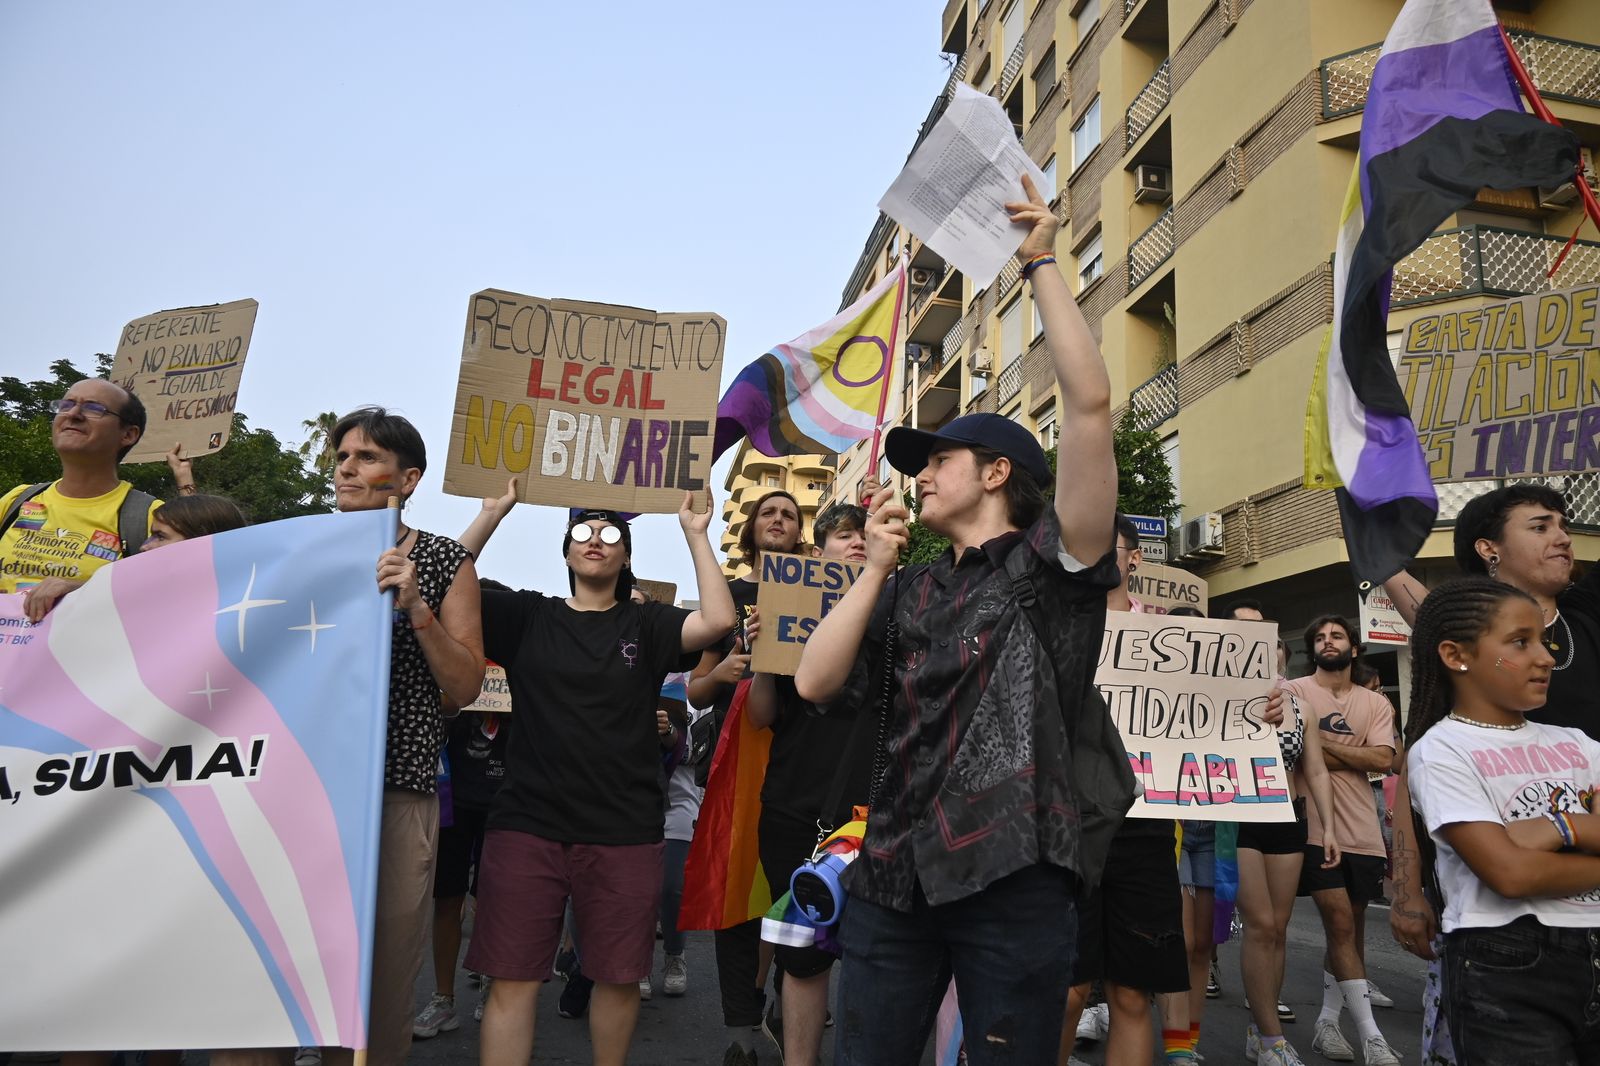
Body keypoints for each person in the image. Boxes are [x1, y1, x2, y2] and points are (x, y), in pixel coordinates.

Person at [795, 174, 1124, 1064]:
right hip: (891, 874)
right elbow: (816, 680)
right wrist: (871, 573)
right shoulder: (912, 588)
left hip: (1013, 873)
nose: (922, 474)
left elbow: (1091, 409)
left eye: (942, 459)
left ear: (996, 475)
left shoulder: (1052, 568)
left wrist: (1043, 261)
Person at [466, 494, 735, 1066]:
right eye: (583, 531)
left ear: (626, 556)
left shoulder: (648, 623)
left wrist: (695, 533)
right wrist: (492, 513)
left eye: (611, 536)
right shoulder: (527, 615)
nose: (596, 540)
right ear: (564, 550)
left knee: (616, 977)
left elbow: (718, 620)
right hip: (527, 826)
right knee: (512, 980)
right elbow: (446, 588)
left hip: (624, 829)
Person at [1383, 483, 1600, 1066]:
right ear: (1489, 548)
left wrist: (1556, 826)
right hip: (1498, 933)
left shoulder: (1588, 617)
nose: (1561, 535)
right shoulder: (1449, 722)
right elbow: (1420, 785)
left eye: (1563, 522)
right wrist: (1406, 891)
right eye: (1539, 525)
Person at [745, 500, 872, 1066]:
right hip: (797, 804)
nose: (859, 543)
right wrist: (759, 658)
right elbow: (760, 716)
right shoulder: (789, 610)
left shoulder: (900, 611)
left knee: (878, 954)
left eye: (865, 534)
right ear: (817, 554)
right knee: (803, 952)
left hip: (875, 809)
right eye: (846, 535)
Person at [1063, 515, 1189, 1066]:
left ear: (1133, 558)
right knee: (1065, 991)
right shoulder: (1056, 627)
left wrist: (1259, 710)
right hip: (1067, 828)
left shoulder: (1176, 639)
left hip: (1146, 828)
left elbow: (1214, 717)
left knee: (1133, 992)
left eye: (1105, 546)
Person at [687, 487, 803, 1065]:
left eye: (788, 514)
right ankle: (741, 1025)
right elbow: (695, 687)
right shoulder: (727, 603)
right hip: (741, 762)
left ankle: (790, 1004)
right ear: (752, 530)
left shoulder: (817, 589)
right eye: (768, 513)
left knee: (798, 889)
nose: (777, 520)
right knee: (739, 888)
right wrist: (730, 669)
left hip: (805, 758)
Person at [1227, 604, 1340, 1066]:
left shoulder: (1301, 707)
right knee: (1261, 926)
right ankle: (1273, 1038)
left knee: (1279, 929)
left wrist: (1329, 827)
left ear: (1279, 652)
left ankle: (1260, 1028)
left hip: (1287, 817)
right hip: (1237, 816)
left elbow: (1314, 768)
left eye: (1265, 637)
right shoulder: (1221, 699)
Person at [1284, 617, 1400, 1066]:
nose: (1326, 642)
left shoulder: (1375, 702)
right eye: (1318, 637)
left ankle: (1327, 1023)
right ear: (1311, 648)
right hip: (1314, 826)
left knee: (1350, 933)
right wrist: (1354, 754)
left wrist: (1319, 746)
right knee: (1340, 925)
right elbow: (1292, 749)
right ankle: (1372, 1038)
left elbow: (1385, 759)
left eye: (1336, 636)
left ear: (1354, 648)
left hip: (1364, 831)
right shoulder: (1294, 691)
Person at [0, 377, 159, 621]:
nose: (73, 414)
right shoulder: (17, 499)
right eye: (66, 405)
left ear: (128, 434)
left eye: (94, 408)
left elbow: (171, 601)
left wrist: (81, 591)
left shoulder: (150, 517)